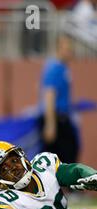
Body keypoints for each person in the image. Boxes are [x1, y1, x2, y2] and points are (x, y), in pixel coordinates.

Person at [38, 34, 78, 164]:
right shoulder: (54, 68)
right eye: (67, 48)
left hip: (62, 119)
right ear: (59, 48)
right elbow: (49, 95)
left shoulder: (62, 67)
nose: (70, 52)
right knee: (61, 161)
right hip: (57, 120)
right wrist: (50, 125)